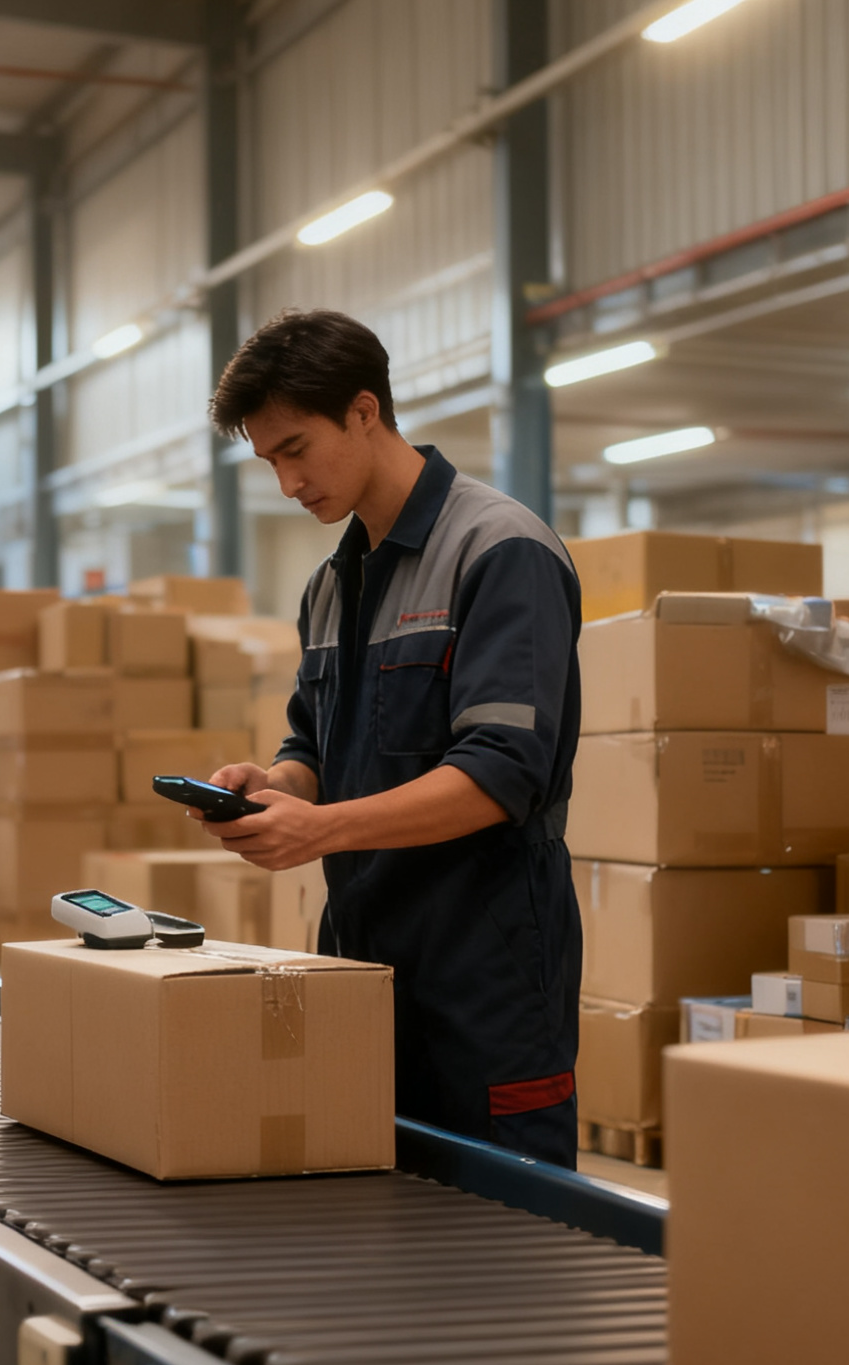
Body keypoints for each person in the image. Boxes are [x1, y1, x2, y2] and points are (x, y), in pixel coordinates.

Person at [193, 308, 585, 1166]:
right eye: (269, 462)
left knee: (507, 1237)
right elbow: (313, 748)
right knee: (377, 1217)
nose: (288, 484)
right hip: (362, 971)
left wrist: (320, 829)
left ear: (364, 411)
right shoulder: (331, 585)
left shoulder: (500, 551)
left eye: (296, 448)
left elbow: (500, 772)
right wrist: (274, 787)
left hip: (488, 978)